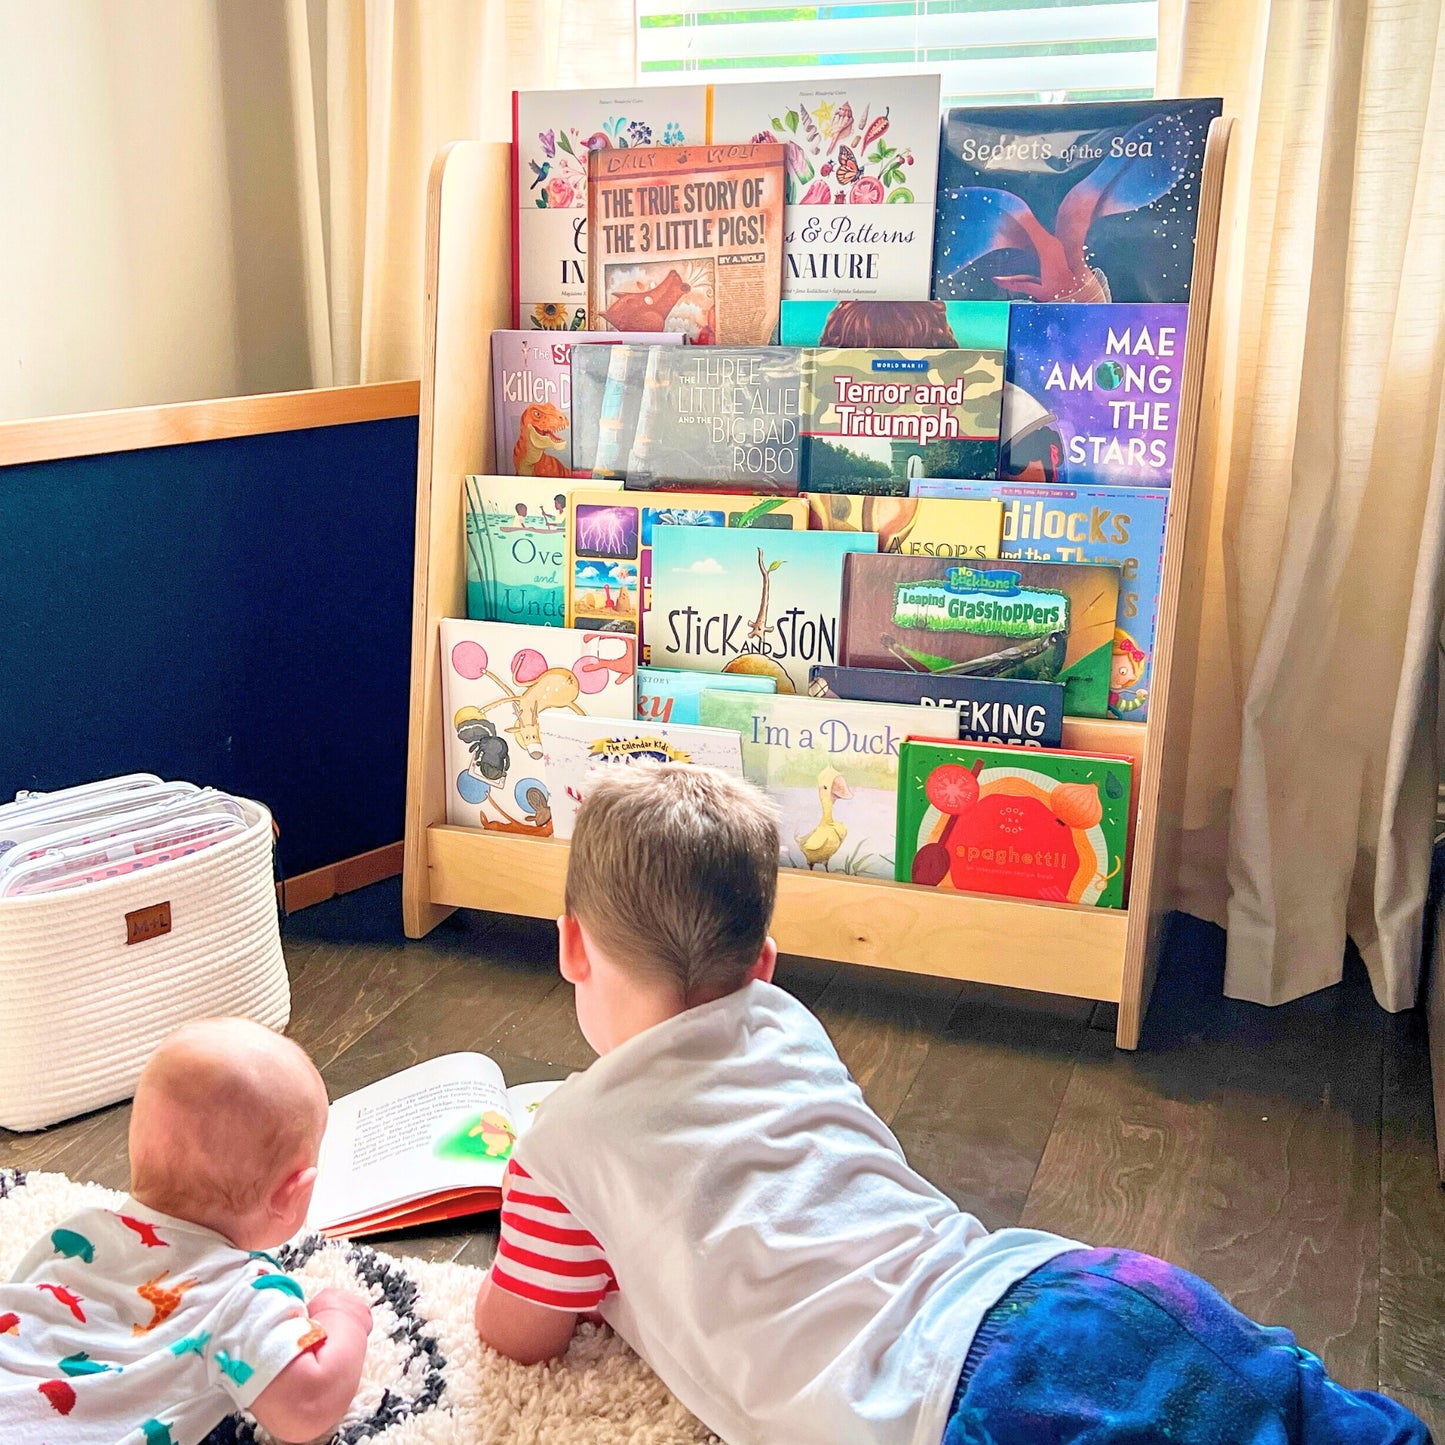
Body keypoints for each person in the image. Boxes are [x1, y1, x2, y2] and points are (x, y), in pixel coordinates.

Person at [473, 764, 1430, 1445]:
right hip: (1076, 1281)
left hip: (956, 1399)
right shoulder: (787, 1022)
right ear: (763, 967)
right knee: (1299, 1405)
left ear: (570, 946)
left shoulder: (563, 1146)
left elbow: (518, 1333)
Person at [0, 1018, 372, 1444]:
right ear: (291, 1195)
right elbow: (308, 1407)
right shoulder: (243, 1294)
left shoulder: (74, 1234)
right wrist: (343, 1318)